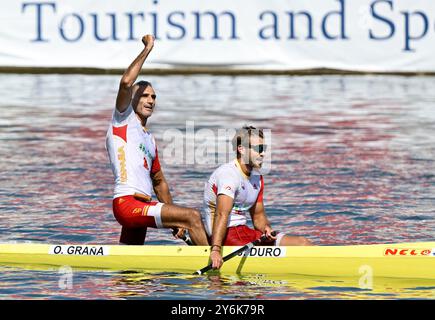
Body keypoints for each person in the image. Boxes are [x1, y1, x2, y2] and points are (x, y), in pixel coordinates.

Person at [105, 34, 208, 245]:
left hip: (139, 210)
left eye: (153, 97)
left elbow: (159, 183)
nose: (150, 100)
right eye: (144, 95)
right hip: (127, 205)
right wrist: (148, 48)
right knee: (193, 217)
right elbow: (126, 82)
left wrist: (175, 222)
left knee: (130, 272)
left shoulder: (150, 140)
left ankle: (124, 276)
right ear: (132, 100)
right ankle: (214, 266)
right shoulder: (122, 121)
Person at [202, 126, 313, 269]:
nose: (263, 153)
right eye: (259, 148)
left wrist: (267, 229)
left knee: (302, 243)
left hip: (244, 232)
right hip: (224, 235)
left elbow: (258, 217)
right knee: (256, 292)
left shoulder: (257, 177)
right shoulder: (228, 174)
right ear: (241, 149)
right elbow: (221, 214)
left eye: (264, 148)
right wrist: (216, 250)